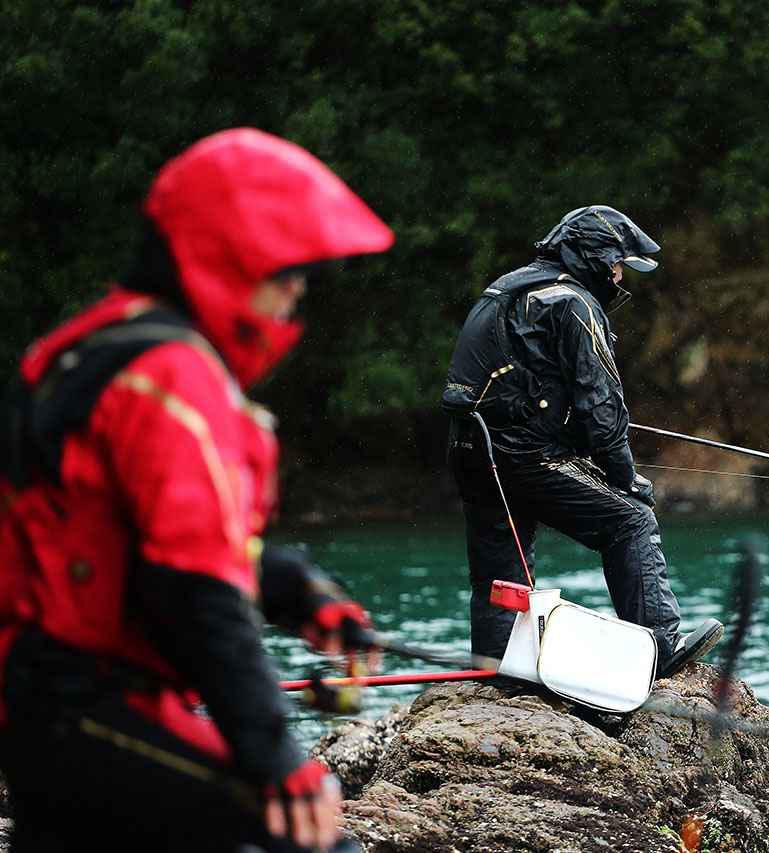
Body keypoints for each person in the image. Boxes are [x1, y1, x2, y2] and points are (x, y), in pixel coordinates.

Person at [0, 128, 394, 852]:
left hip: (35, 701)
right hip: (88, 702)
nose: (298, 289)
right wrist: (278, 756)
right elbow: (194, 590)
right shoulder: (175, 376)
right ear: (228, 259)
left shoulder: (87, 346)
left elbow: (133, 553)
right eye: (288, 268)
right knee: (315, 840)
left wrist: (292, 585)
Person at [442, 205, 722, 678]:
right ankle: (660, 647)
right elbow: (602, 405)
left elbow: (518, 383)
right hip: (524, 456)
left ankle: (492, 668)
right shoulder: (573, 303)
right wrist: (625, 477)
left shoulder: (506, 289)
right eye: (616, 264)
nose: (618, 275)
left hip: (472, 452)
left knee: (500, 572)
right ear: (593, 256)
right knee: (631, 520)